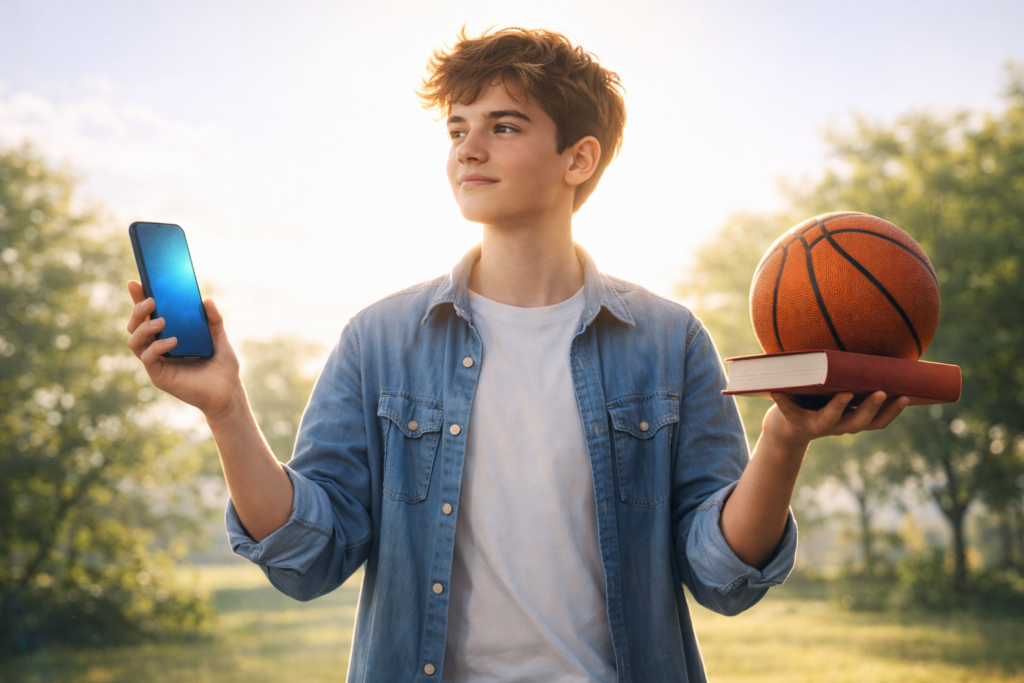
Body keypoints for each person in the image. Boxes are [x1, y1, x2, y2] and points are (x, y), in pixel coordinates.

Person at [124, 26, 908, 683]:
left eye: (503, 125)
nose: (469, 148)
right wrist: (226, 408)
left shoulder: (669, 341)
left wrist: (782, 439)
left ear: (579, 158)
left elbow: (721, 575)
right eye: (457, 128)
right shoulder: (382, 339)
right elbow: (309, 555)